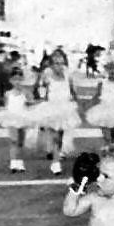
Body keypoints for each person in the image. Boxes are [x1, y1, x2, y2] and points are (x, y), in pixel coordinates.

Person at [32, 47, 82, 175]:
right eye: (56, 63)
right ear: (51, 64)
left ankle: (56, 156)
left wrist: (78, 103)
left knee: (59, 136)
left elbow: (73, 91)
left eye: (61, 63)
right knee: (54, 135)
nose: (59, 66)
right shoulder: (47, 75)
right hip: (51, 109)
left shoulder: (67, 75)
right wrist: (41, 95)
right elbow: (38, 89)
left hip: (64, 108)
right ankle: (55, 162)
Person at [0, 66, 33, 172]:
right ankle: (13, 163)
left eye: (19, 79)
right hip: (12, 119)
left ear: (22, 80)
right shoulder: (8, 93)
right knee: (14, 141)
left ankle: (20, 162)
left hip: (23, 119)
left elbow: (29, 104)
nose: (17, 82)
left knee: (21, 142)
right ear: (11, 80)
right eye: (15, 79)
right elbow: (7, 106)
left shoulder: (26, 93)